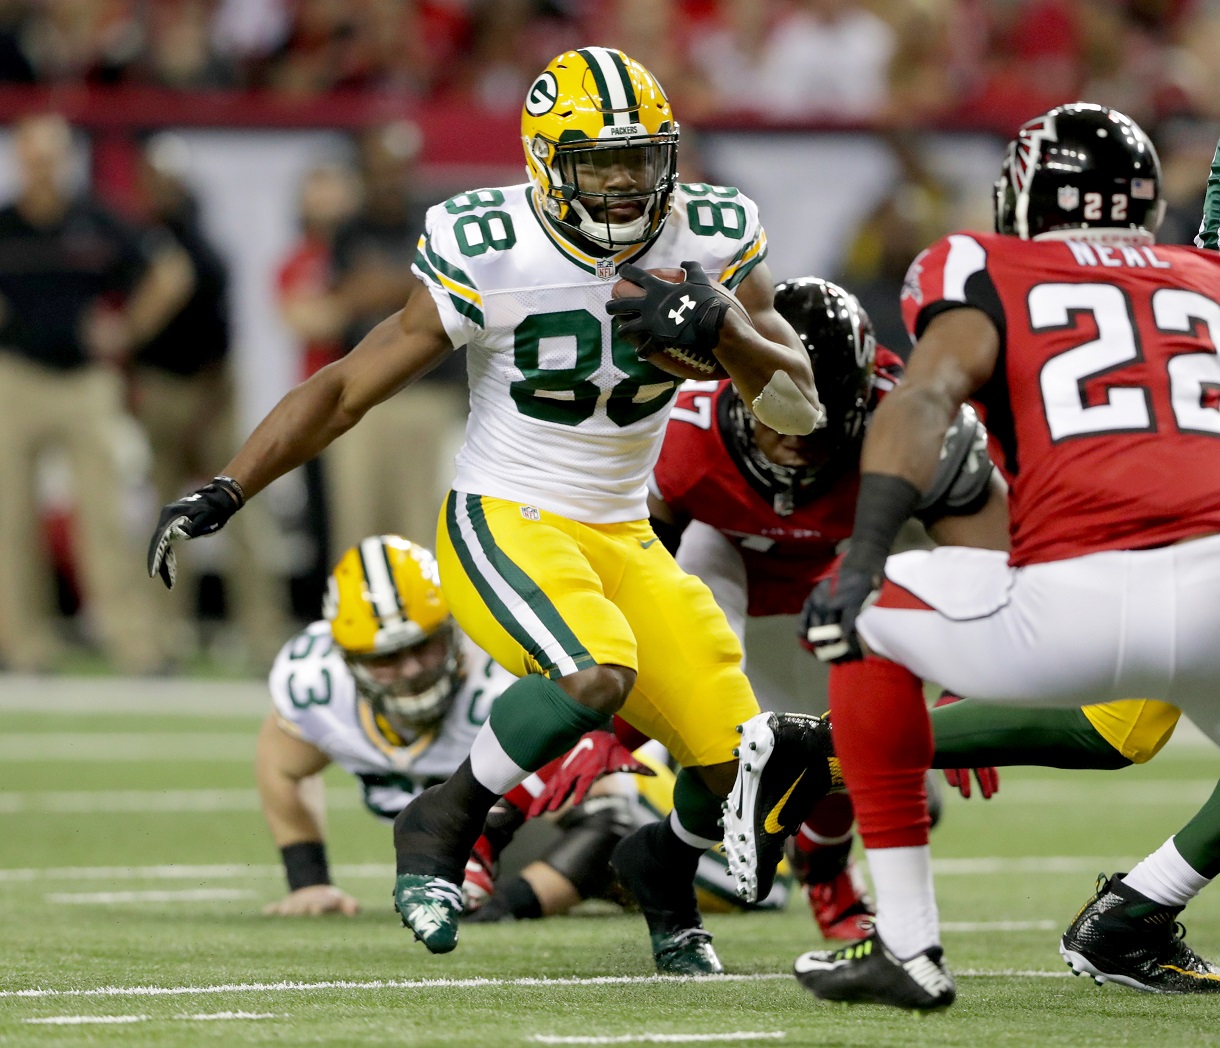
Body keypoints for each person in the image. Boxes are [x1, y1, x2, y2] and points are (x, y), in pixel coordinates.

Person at [147, 47, 822, 975]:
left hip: (624, 532)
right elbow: (348, 386)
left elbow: (800, 407)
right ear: (546, 163)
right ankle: (443, 818)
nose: (624, 185)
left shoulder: (710, 233)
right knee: (596, 670)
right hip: (506, 514)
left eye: (640, 158)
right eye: (598, 164)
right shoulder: (492, 244)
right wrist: (230, 486)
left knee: (741, 766)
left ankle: (660, 871)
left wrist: (726, 334)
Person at [791, 102, 1220, 1009]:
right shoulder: (1207, 277)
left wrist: (866, 554)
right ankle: (1140, 911)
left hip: (1073, 605)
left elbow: (925, 398)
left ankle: (907, 944)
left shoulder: (982, 265)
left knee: (864, 616)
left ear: (1024, 197)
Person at [655, 277, 1181, 938]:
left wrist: (968, 687)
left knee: (891, 775)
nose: (793, 436)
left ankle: (839, 880)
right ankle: (656, 853)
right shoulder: (686, 429)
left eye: (816, 414)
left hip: (840, 583)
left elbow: (991, 558)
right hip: (726, 571)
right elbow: (637, 579)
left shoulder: (909, 417)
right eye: (774, 410)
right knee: (708, 731)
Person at [257, 532, 673, 921]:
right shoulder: (318, 684)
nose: (411, 670)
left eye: (424, 645)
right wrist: (308, 882)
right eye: (386, 658)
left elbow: (607, 822)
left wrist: (513, 904)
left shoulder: (502, 678)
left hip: (645, 810)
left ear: (453, 629)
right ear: (348, 659)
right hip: (510, 849)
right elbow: (281, 766)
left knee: (692, 881)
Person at [0, 113, 190, 673]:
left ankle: (134, 645)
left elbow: (171, 273)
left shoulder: (98, 219)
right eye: (33, 157)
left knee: (105, 518)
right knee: (9, 518)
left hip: (86, 381)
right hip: (15, 377)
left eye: (50, 157)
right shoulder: (5, 225)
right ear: (19, 160)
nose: (42, 168)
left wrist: (127, 329)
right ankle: (22, 646)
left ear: (66, 160)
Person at [129, 132, 291, 669]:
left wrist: (210, 401)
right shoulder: (136, 241)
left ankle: (263, 635)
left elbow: (219, 326)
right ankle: (160, 638)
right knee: (162, 519)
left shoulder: (198, 242)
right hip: (161, 388)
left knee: (239, 507)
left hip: (211, 389)